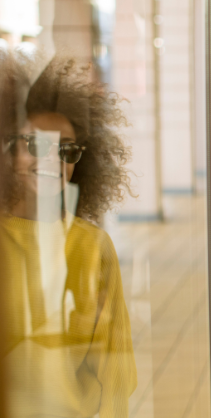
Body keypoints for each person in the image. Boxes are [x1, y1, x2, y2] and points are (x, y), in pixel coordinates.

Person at [0, 50, 136, 417]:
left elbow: (114, 376)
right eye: (34, 145)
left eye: (67, 149)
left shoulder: (93, 248)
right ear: (7, 150)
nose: (52, 161)